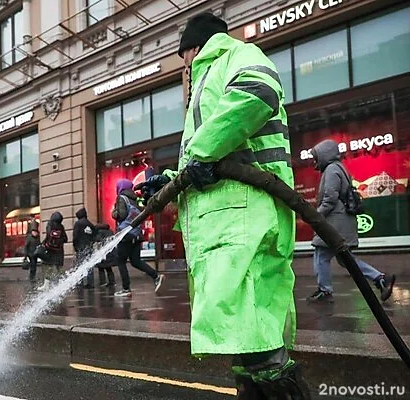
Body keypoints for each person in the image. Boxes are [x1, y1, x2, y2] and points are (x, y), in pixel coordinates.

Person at [135, 12, 310, 399]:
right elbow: (202, 164)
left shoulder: (234, 58)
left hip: (244, 219)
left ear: (193, 48)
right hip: (230, 222)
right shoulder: (211, 80)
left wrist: (200, 152)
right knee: (245, 335)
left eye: (184, 59)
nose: (185, 67)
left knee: (257, 335)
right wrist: (170, 182)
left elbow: (258, 92)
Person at [308, 139, 396, 303]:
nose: (314, 161)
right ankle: (380, 278)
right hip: (343, 221)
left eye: (316, 157)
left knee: (321, 255)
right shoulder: (339, 168)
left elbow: (330, 198)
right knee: (346, 259)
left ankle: (324, 291)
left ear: (324, 155)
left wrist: (315, 216)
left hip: (335, 223)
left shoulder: (332, 170)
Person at [111, 179, 164, 297]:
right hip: (136, 234)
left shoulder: (121, 198)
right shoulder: (135, 199)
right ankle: (156, 276)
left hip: (125, 234)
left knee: (120, 260)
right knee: (135, 261)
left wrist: (113, 212)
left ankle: (126, 289)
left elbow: (121, 215)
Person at [38, 211, 68, 291]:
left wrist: (43, 244)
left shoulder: (50, 224)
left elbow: (48, 236)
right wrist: (59, 241)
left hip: (50, 249)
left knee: (48, 266)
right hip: (59, 251)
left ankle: (46, 285)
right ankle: (61, 285)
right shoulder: (61, 227)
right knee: (59, 268)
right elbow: (65, 239)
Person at [72, 207, 97, 288]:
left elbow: (75, 236)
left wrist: (75, 246)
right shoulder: (90, 224)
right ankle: (90, 283)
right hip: (89, 247)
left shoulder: (78, 224)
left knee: (80, 265)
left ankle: (80, 282)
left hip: (81, 248)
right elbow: (94, 235)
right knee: (89, 265)